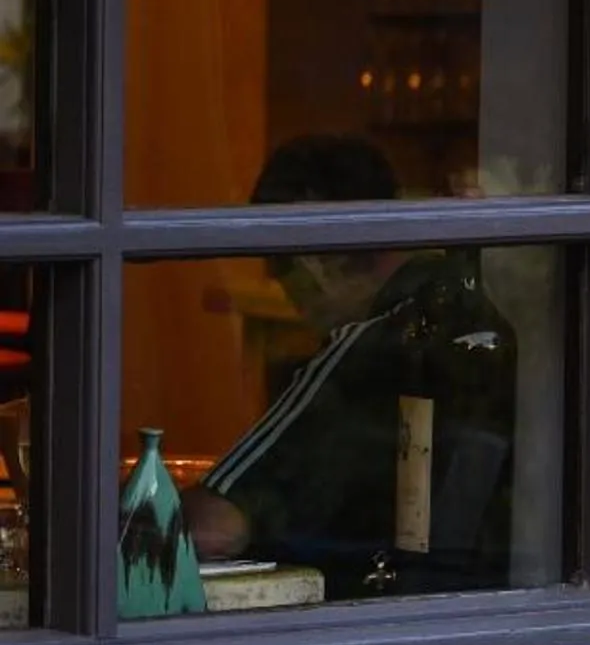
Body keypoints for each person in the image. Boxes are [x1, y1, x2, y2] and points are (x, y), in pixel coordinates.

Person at [183, 135, 518, 599]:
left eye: (282, 271)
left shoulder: (368, 343)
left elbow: (215, 528)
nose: (289, 295)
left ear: (314, 256)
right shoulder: (475, 318)